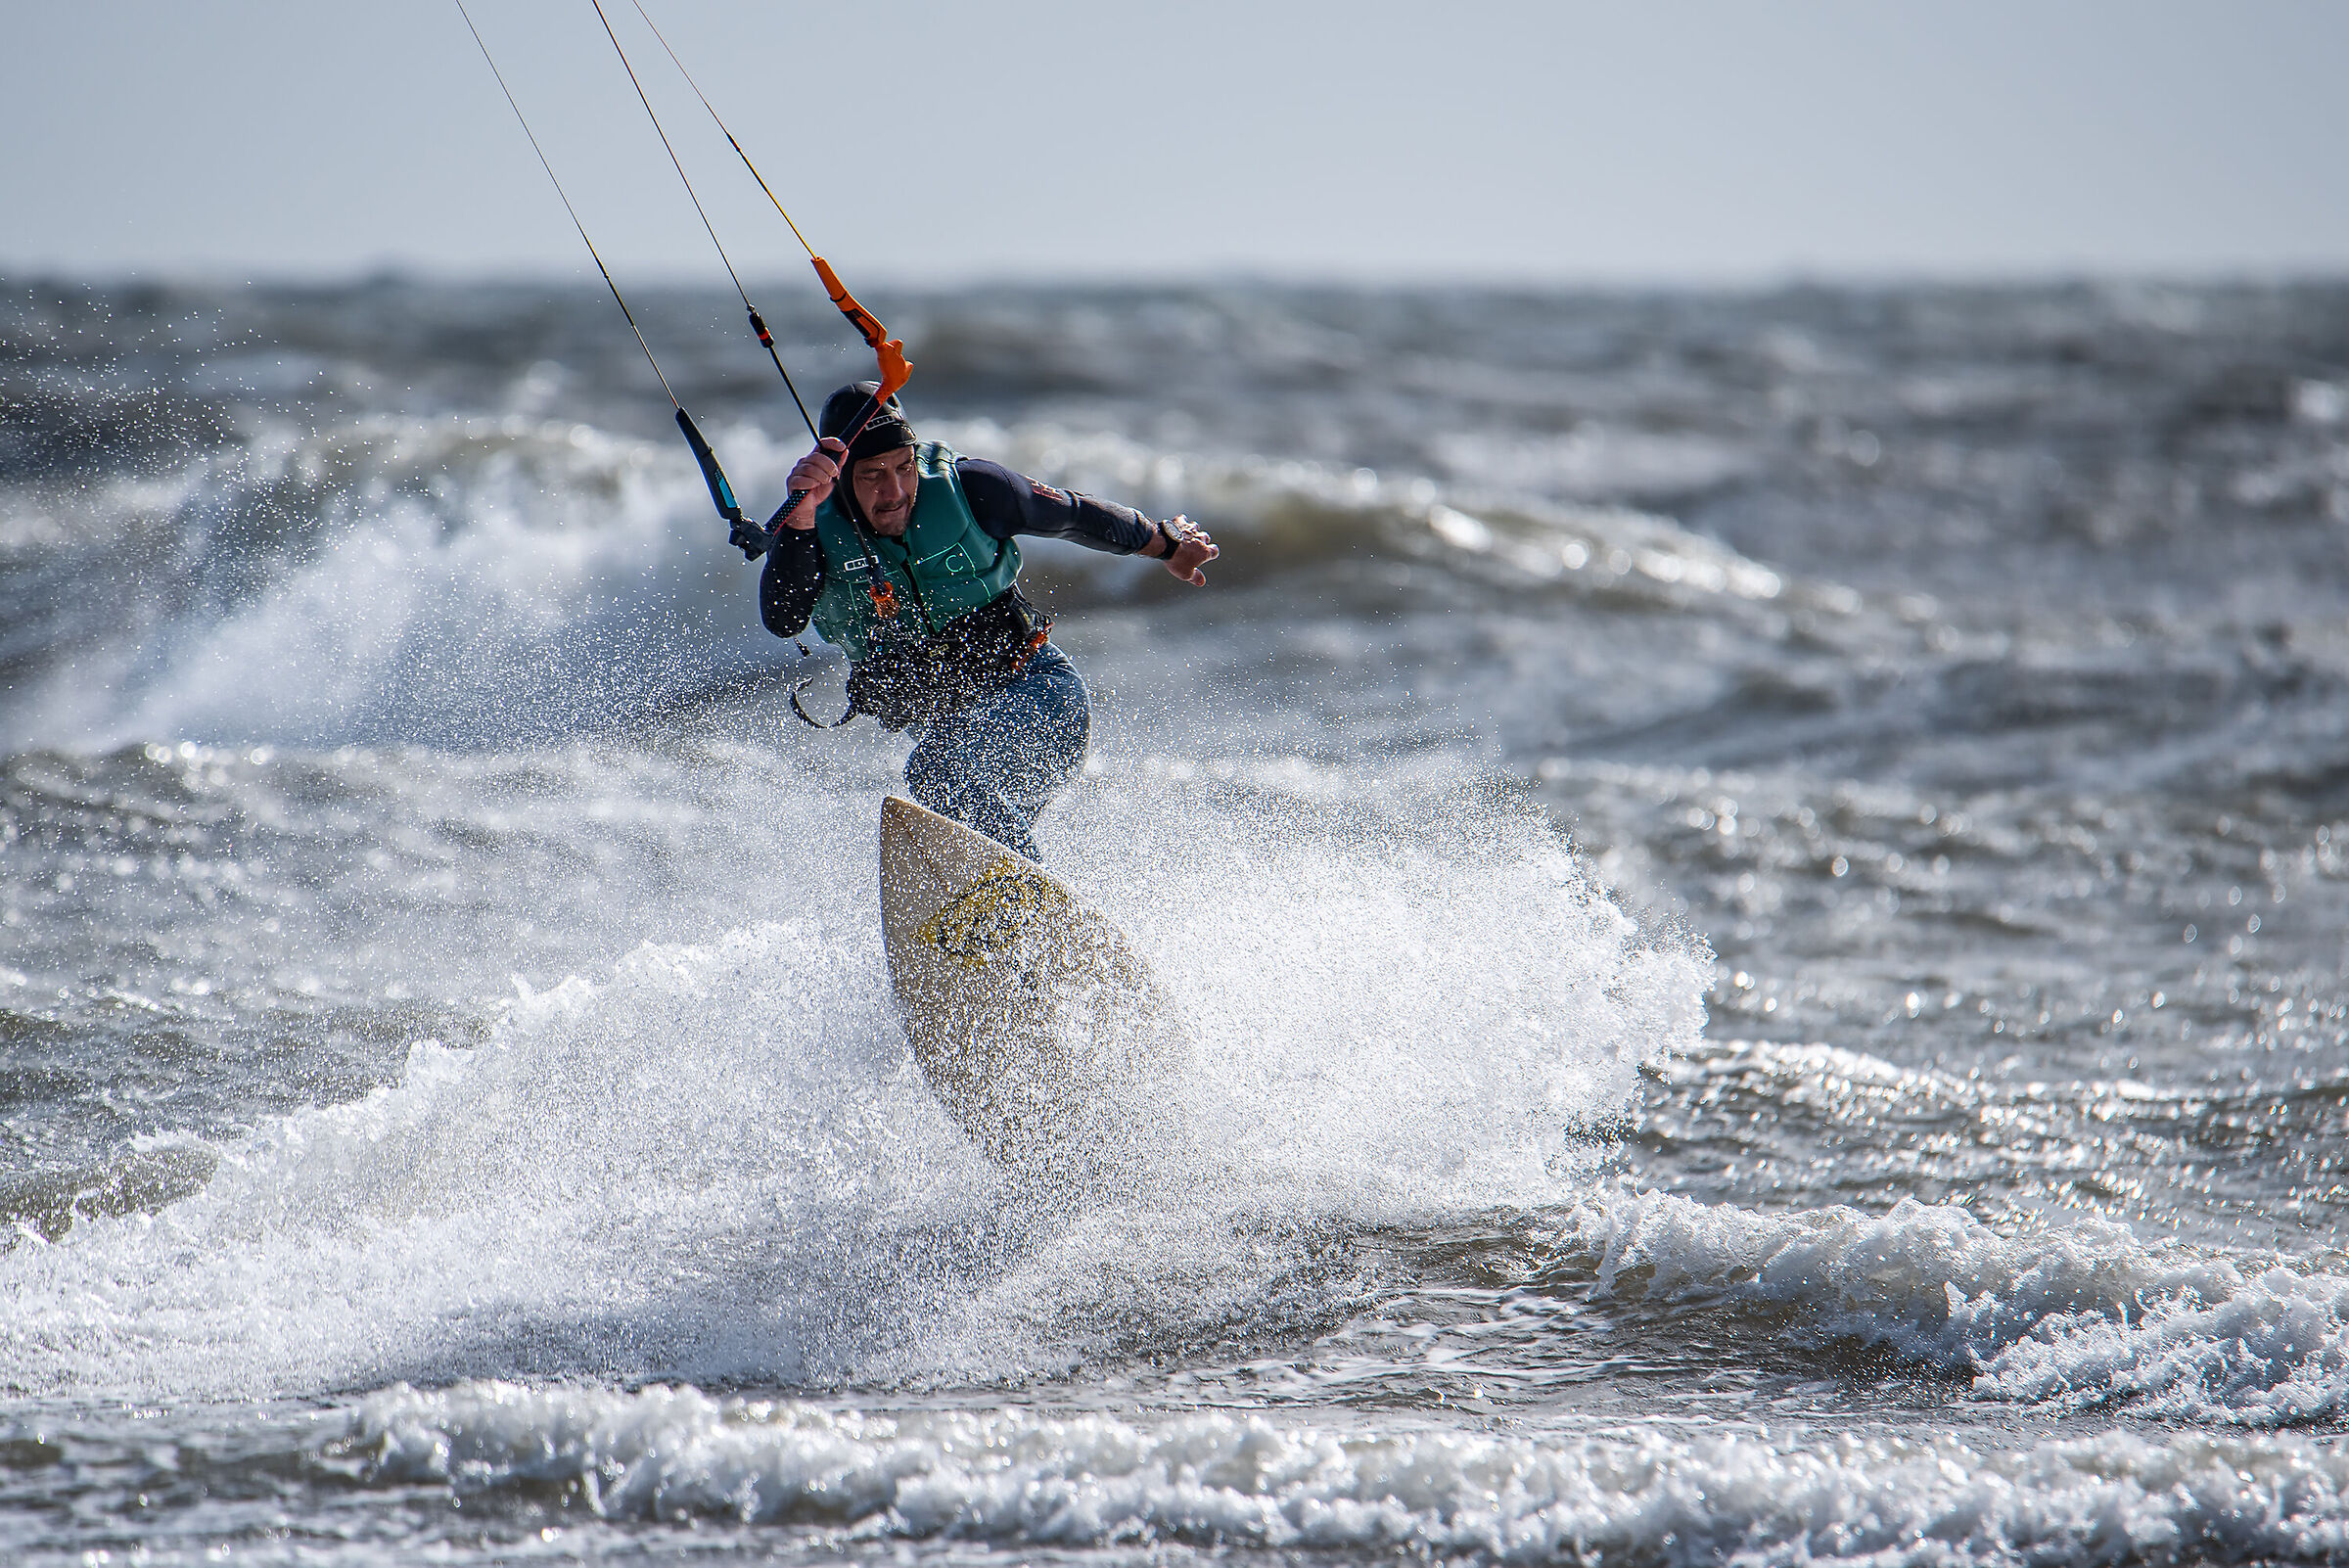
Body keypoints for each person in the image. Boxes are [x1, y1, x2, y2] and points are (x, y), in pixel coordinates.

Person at [760, 382, 1218, 861]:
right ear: (840, 477)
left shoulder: (973, 489)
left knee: (940, 777)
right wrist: (800, 520)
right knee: (950, 793)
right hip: (956, 737)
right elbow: (782, 619)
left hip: (1042, 697)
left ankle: (1020, 913)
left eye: (904, 467)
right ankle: (1004, 919)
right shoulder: (810, 527)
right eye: (873, 475)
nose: (894, 492)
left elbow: (1074, 515)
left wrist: (1166, 544)